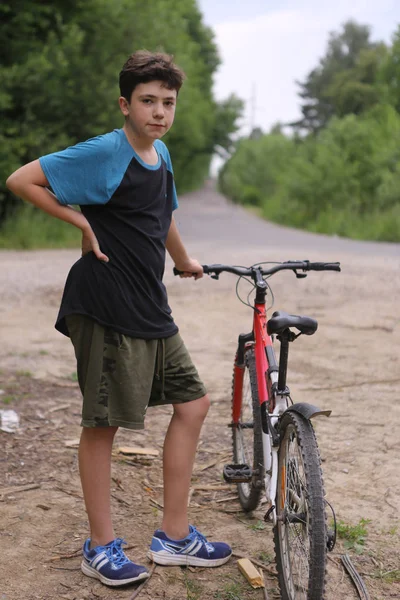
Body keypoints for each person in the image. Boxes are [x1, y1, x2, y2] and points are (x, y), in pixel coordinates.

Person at [6, 50, 232, 587]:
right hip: (104, 302)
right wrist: (79, 222)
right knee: (103, 425)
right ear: (125, 105)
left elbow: (164, 213)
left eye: (168, 103)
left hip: (148, 302)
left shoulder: (162, 153)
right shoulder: (106, 151)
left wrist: (182, 260)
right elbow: (21, 180)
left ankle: (173, 536)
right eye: (148, 102)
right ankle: (100, 546)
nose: (159, 112)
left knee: (193, 404)